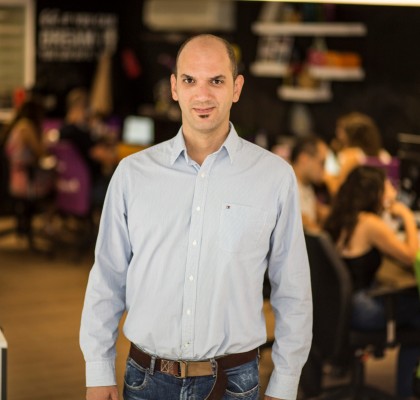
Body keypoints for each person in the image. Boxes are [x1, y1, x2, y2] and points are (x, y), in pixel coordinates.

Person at [80, 34, 312, 400]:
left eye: (216, 80)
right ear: (174, 87)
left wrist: (284, 382)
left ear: (236, 88)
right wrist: (98, 369)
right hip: (146, 380)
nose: (202, 95)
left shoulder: (274, 177)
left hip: (234, 383)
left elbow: (293, 290)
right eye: (190, 80)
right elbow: (107, 278)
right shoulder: (132, 174)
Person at [324, 166, 420, 399]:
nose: (391, 189)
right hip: (361, 310)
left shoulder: (342, 217)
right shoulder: (369, 223)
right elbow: (410, 255)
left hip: (337, 308)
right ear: (374, 192)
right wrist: (406, 214)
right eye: (386, 185)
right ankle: (406, 392)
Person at [59, 87, 117, 207]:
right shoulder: (79, 133)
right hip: (91, 185)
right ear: (81, 108)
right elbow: (105, 157)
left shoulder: (62, 131)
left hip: (68, 186)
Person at [325, 112, 391, 195]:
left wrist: (325, 175)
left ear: (350, 135)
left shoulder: (349, 156)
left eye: (340, 130)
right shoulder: (384, 155)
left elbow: (337, 189)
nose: (337, 133)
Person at [290, 136, 330, 232]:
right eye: (322, 163)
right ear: (304, 158)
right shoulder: (287, 187)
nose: (324, 170)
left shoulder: (306, 185)